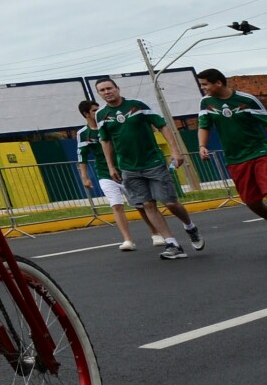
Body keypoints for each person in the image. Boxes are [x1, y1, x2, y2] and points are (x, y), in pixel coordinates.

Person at [195, 69, 267, 256]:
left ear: (218, 83)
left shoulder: (248, 100)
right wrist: (202, 145)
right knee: (251, 201)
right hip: (235, 158)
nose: (203, 88)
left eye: (205, 84)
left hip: (260, 152)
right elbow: (204, 126)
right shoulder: (206, 103)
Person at [93, 78, 203, 259]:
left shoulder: (137, 106)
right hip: (128, 168)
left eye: (109, 88)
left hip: (153, 163)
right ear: (99, 94)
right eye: (102, 90)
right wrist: (111, 166)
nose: (107, 92)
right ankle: (172, 244)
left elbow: (162, 126)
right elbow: (105, 141)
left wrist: (175, 151)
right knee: (148, 204)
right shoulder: (101, 115)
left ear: (117, 88)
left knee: (170, 202)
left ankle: (190, 227)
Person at [76, 99, 161, 251]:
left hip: (127, 170)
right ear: (86, 114)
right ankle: (127, 240)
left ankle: (155, 232)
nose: (97, 112)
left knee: (142, 204)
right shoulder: (83, 134)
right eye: (94, 110)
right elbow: (82, 156)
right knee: (116, 205)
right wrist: (85, 176)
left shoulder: (109, 123)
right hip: (104, 173)